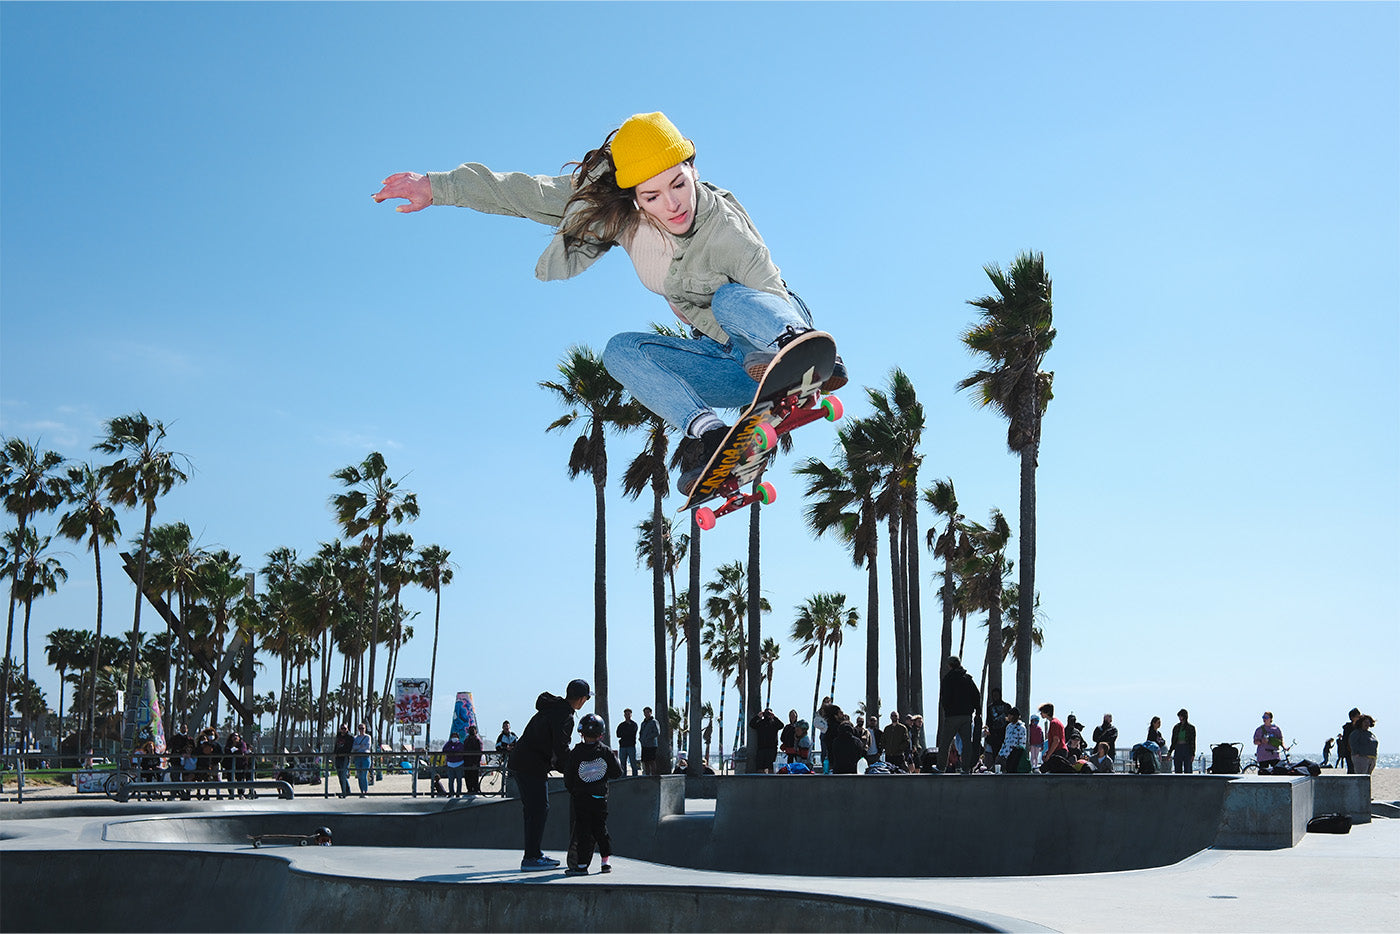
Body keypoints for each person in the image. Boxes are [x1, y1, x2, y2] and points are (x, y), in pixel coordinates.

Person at [373, 112, 845, 494]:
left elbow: (768, 287)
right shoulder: (622, 217)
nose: (674, 204)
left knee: (727, 299)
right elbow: (524, 193)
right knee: (620, 350)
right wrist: (439, 187)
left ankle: (795, 350)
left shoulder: (724, 225)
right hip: (730, 368)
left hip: (773, 333)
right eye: (653, 195)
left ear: (694, 170)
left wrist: (806, 353)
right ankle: (709, 435)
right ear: (634, 198)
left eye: (680, 184)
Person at [509, 678, 590, 871]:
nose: (585, 702)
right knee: (538, 810)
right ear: (580, 699)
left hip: (522, 762)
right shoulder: (565, 716)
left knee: (533, 810)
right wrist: (573, 772)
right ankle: (531, 857)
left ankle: (533, 854)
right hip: (531, 765)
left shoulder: (553, 708)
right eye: (586, 698)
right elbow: (560, 749)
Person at [564, 713, 622, 876]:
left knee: (583, 830)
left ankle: (582, 865)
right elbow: (617, 772)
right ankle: (605, 862)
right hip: (599, 798)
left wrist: (573, 790)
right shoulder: (605, 751)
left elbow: (568, 776)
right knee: (600, 829)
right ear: (601, 734)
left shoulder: (576, 752)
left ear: (581, 733)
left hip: (581, 798)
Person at [939, 657, 980, 773]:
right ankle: (966, 768)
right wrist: (978, 711)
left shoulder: (948, 679)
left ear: (949, 665)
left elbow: (944, 697)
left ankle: (941, 767)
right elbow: (976, 695)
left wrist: (947, 709)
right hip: (966, 716)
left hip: (952, 716)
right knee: (967, 743)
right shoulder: (967, 679)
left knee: (946, 742)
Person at [983, 689, 1011, 770]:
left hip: (1004, 734)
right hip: (994, 735)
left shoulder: (1007, 706)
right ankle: (997, 769)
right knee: (995, 754)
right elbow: (989, 721)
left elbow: (1010, 720)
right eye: (994, 695)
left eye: (997, 694)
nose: (995, 697)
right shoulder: (990, 708)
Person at [749, 707, 782, 774]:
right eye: (766, 713)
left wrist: (774, 717)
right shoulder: (760, 723)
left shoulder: (774, 723)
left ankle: (770, 782)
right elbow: (751, 724)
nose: (767, 715)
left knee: (770, 768)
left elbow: (781, 725)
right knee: (760, 768)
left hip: (772, 748)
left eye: (769, 713)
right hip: (761, 748)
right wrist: (758, 716)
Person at [999, 708, 1029, 773]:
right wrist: (1001, 753)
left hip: (1015, 755)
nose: (1008, 717)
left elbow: (1022, 743)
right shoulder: (1008, 727)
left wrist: (1018, 754)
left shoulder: (1021, 727)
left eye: (1009, 715)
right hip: (1005, 754)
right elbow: (1006, 740)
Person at [1169, 709, 1196, 774]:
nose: (1180, 718)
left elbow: (1193, 741)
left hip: (1187, 748)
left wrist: (1193, 753)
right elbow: (1173, 741)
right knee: (1177, 768)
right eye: (1179, 717)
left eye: (1181, 716)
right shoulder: (1176, 727)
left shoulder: (1191, 728)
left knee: (1188, 768)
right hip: (1178, 748)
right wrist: (1170, 751)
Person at [615, 708, 640, 777]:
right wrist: (626, 733)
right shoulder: (621, 725)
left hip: (631, 746)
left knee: (633, 763)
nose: (627, 715)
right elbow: (618, 734)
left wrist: (625, 733)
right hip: (623, 746)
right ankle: (623, 777)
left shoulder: (634, 724)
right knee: (623, 764)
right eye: (626, 714)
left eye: (628, 714)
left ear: (631, 715)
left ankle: (635, 776)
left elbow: (632, 732)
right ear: (624, 715)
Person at [351, 723, 373, 797]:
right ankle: (361, 791)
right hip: (357, 757)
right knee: (359, 775)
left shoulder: (368, 737)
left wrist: (358, 746)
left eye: (362, 728)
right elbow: (354, 747)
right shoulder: (355, 738)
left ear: (365, 729)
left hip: (365, 757)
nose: (361, 730)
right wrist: (361, 746)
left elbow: (367, 746)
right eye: (360, 728)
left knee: (364, 775)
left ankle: (365, 791)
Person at [442, 731, 466, 797]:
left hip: (459, 763)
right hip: (450, 764)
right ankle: (451, 792)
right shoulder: (448, 744)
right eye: (453, 736)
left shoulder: (460, 744)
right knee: (451, 780)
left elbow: (461, 750)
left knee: (459, 780)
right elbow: (444, 749)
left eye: (455, 736)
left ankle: (458, 793)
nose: (454, 738)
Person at [332, 724, 353, 797]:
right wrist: (335, 753)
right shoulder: (338, 736)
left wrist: (344, 753)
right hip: (338, 757)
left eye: (345, 728)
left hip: (345, 758)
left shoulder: (350, 737)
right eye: (342, 728)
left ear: (347, 729)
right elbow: (336, 745)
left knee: (343, 774)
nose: (343, 730)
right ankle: (344, 790)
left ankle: (346, 791)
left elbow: (349, 748)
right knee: (340, 775)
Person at [639, 706, 661, 776]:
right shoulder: (643, 723)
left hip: (652, 745)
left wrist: (648, 737)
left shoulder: (654, 721)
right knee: (645, 762)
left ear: (651, 713)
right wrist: (641, 739)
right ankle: (647, 775)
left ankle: (653, 775)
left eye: (648, 712)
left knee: (652, 761)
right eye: (645, 712)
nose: (646, 714)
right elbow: (641, 732)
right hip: (644, 745)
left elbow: (657, 732)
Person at [463, 724, 484, 796]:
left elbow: (480, 752)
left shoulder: (478, 740)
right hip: (467, 762)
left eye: (473, 730)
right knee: (468, 777)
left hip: (475, 762)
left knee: (474, 777)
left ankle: (475, 790)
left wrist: (476, 762)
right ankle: (469, 790)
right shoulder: (466, 740)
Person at [1341, 707, 1361, 773]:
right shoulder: (1347, 728)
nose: (1358, 718)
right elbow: (1345, 740)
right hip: (1349, 751)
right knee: (1350, 767)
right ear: (1352, 717)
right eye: (1357, 716)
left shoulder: (1360, 727)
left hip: (1359, 751)